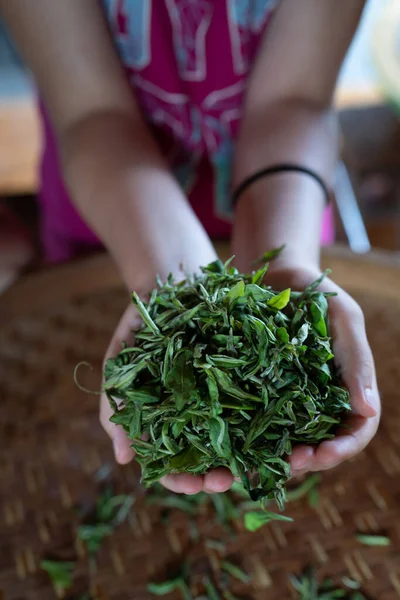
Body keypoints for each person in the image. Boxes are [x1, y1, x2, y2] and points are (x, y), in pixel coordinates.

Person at [1, 0, 380, 495]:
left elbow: (294, 102)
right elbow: (93, 114)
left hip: (284, 211)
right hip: (118, 219)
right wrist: (166, 281)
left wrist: (284, 262)